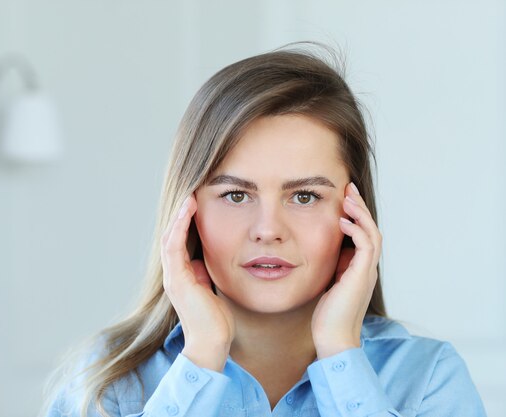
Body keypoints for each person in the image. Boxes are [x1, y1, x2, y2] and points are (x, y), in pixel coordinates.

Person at [41, 43, 486, 417]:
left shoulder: (429, 377)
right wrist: (201, 357)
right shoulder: (105, 382)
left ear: (355, 215)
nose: (268, 230)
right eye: (236, 195)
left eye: (305, 196)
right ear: (188, 212)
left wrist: (340, 352)